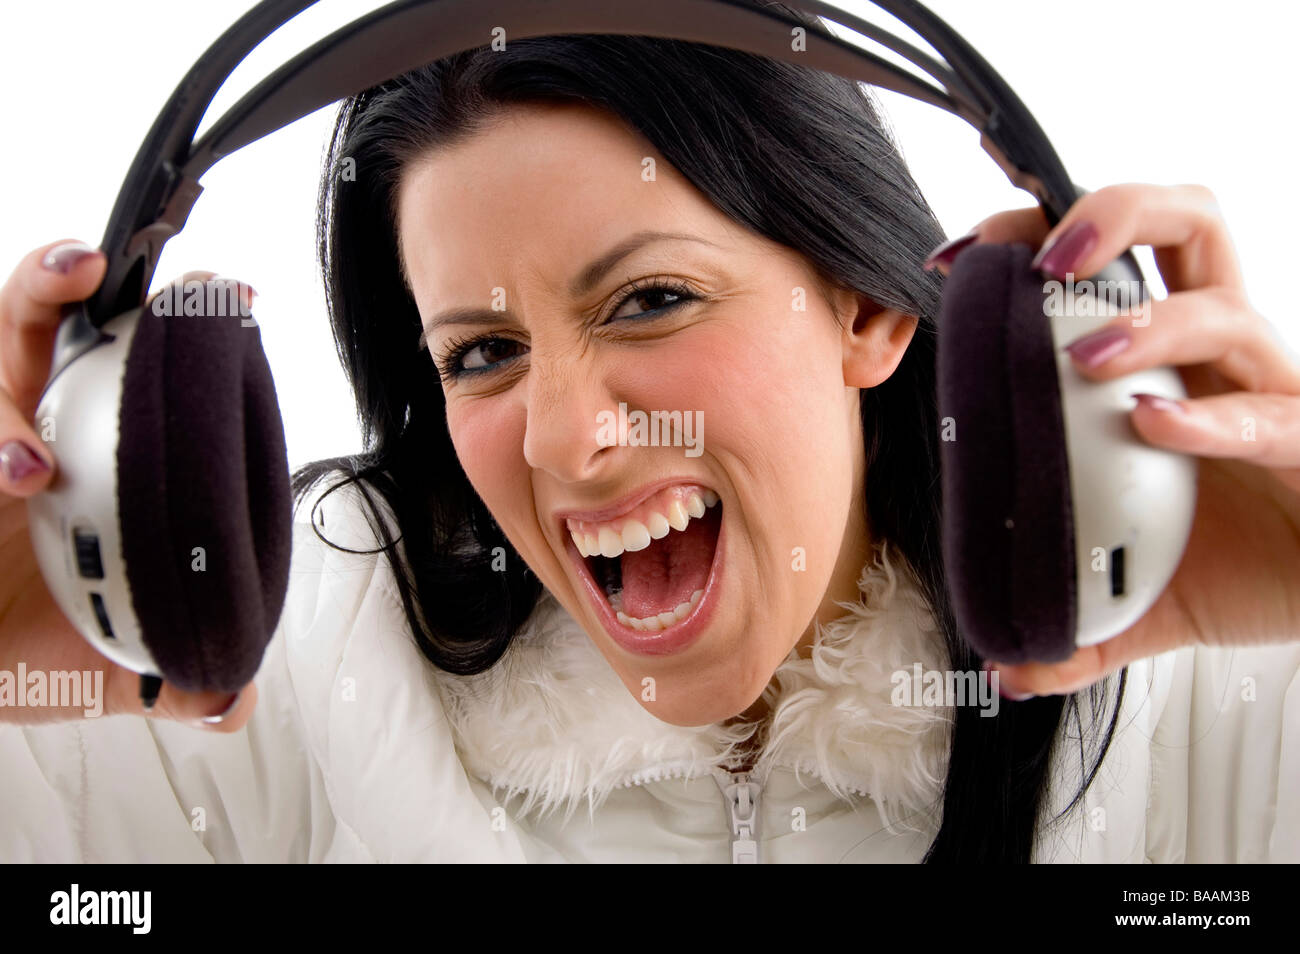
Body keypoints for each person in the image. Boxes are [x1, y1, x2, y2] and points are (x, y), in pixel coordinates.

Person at [2, 0, 1298, 863]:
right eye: (483, 352)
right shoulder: (283, 691)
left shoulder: (1203, 712)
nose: (570, 441)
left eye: (651, 299)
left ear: (868, 307)